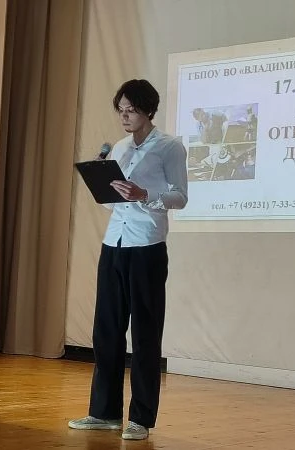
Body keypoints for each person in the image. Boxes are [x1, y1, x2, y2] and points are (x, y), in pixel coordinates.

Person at [68, 79, 188, 440]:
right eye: (120, 110)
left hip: (146, 246)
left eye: (131, 110)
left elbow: (180, 197)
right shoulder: (119, 148)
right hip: (114, 244)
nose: (124, 116)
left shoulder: (169, 146)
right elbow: (111, 204)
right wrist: (101, 182)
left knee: (145, 334)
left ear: (148, 110)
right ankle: (104, 413)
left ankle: (140, 419)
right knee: (106, 331)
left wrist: (144, 194)